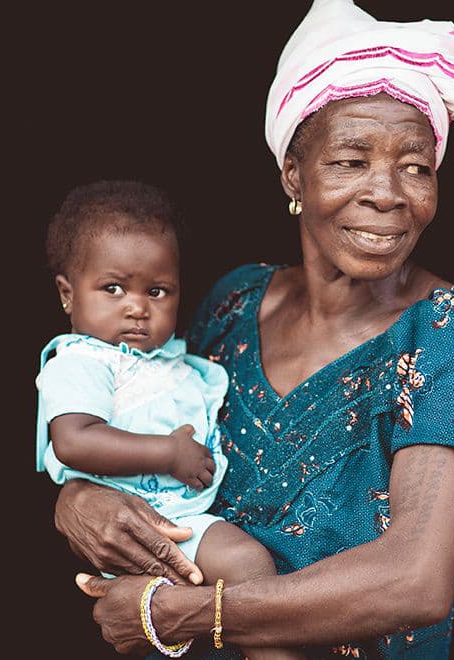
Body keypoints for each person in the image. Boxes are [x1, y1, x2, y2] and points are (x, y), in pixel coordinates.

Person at [56, 2, 454, 657]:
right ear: (293, 176)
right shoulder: (234, 305)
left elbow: (414, 581)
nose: (388, 193)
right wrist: (76, 498)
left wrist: (189, 615)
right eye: (351, 161)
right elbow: (139, 426)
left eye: (416, 167)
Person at [35, 180, 303, 660]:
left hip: (180, 517)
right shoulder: (82, 363)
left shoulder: (171, 361)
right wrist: (169, 452)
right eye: (113, 288)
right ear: (67, 294)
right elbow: (73, 441)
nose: (137, 307)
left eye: (157, 291)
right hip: (142, 523)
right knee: (248, 564)